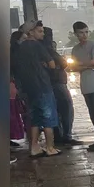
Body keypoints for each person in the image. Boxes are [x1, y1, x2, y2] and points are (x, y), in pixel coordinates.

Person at [13, 20, 60, 157]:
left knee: (35, 119)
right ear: (30, 33)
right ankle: (50, 148)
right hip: (43, 86)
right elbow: (52, 64)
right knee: (48, 118)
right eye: (40, 31)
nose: (43, 34)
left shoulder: (19, 48)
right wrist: (46, 66)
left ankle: (34, 148)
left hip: (28, 89)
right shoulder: (37, 46)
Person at [70, 21, 94, 151]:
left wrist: (82, 65)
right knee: (93, 115)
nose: (84, 35)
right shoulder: (75, 49)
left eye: (86, 32)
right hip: (86, 86)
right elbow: (73, 67)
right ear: (75, 33)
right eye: (81, 32)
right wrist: (87, 65)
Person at [41, 27, 82, 146]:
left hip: (48, 83)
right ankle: (66, 135)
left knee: (55, 109)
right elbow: (63, 63)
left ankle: (58, 134)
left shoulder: (38, 47)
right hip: (57, 82)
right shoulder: (47, 47)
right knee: (66, 107)